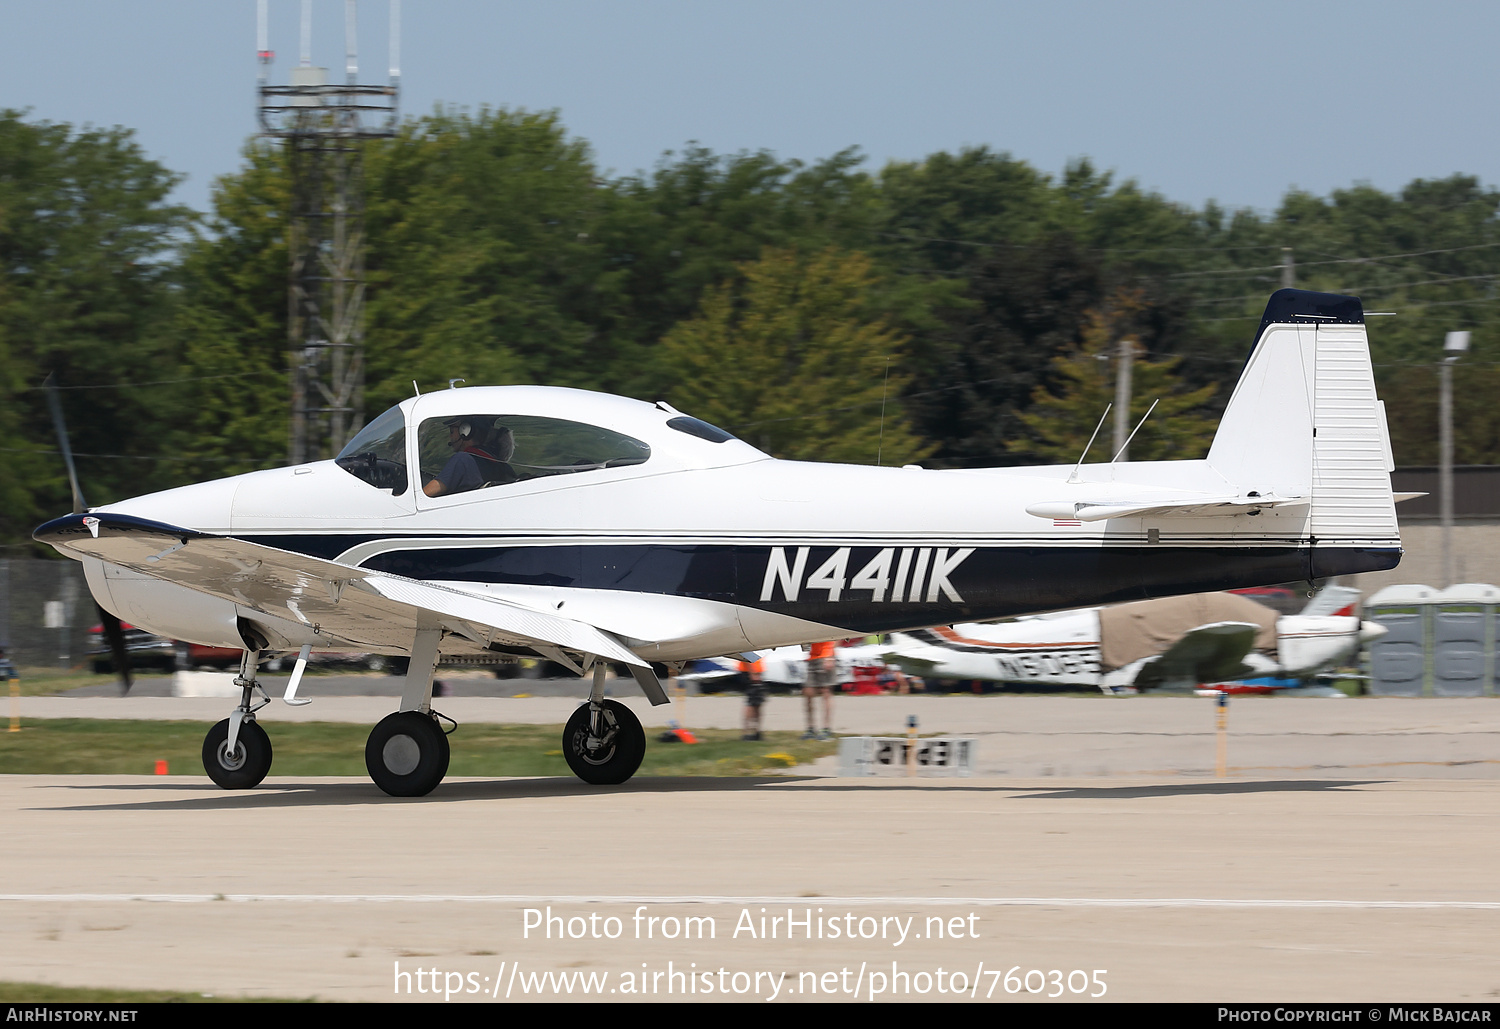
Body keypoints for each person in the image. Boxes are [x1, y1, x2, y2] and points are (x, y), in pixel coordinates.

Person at [423, 419, 515, 497]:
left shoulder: (462, 460)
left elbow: (426, 493)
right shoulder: (505, 468)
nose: (450, 436)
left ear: (465, 431)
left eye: (452, 432)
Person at [803, 641, 836, 740]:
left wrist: (829, 656)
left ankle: (826, 728)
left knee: (825, 691)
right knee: (808, 692)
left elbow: (837, 638)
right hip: (813, 656)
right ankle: (810, 728)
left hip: (826, 654)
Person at [739, 656, 766, 741]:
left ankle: (755, 731)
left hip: (756, 672)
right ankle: (748, 732)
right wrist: (753, 674)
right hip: (751, 673)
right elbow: (747, 654)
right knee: (751, 704)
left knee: (757, 704)